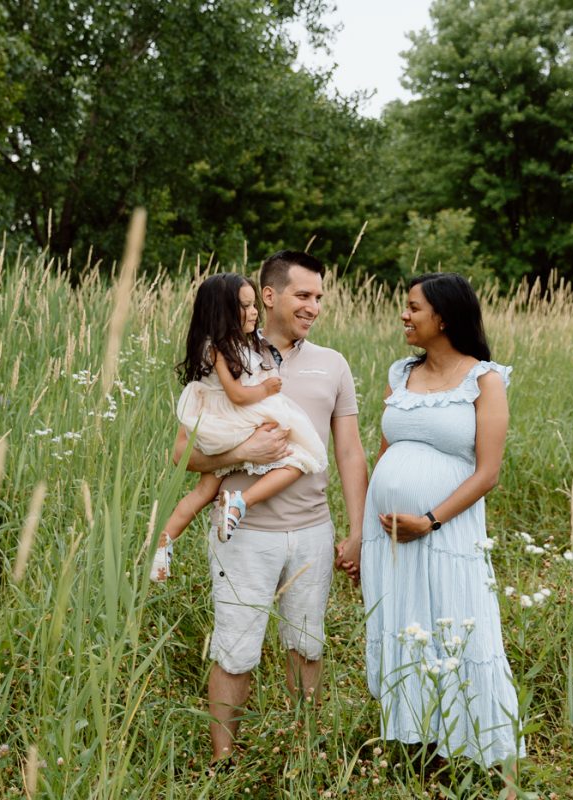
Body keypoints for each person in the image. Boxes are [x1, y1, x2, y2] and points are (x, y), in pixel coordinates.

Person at [171, 251, 367, 764]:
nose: (314, 307)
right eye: (304, 295)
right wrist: (241, 453)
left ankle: (303, 754)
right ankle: (223, 760)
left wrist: (358, 530)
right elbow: (184, 454)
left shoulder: (334, 364)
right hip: (244, 535)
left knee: (307, 646)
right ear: (270, 296)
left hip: (312, 532)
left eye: (319, 298)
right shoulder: (229, 357)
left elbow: (349, 451)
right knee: (235, 649)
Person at [359, 273, 524, 786]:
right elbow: (384, 456)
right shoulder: (400, 375)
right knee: (405, 632)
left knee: (456, 630)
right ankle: (417, 749)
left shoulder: (484, 379)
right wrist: (362, 536)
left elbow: (488, 472)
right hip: (389, 539)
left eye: (414, 308)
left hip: (446, 536)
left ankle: (478, 752)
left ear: (445, 317)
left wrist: (429, 520)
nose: (404, 316)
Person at [149, 273, 328, 581]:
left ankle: (162, 545)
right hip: (237, 417)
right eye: (245, 306)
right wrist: (267, 389)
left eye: (253, 304)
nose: (254, 311)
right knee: (302, 456)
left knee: (205, 490)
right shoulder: (220, 348)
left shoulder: (227, 345)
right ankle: (240, 502)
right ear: (223, 313)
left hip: (218, 424)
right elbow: (236, 394)